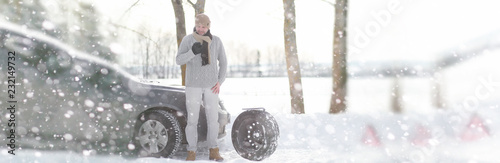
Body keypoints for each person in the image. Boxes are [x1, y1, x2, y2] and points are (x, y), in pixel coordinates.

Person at [176, 13, 227, 162]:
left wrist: (220, 82)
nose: (200, 29)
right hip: (193, 85)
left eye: (203, 26)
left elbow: (223, 63)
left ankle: (214, 150)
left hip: (211, 86)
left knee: (213, 119)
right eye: (198, 26)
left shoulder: (216, 41)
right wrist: (193, 52)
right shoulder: (187, 40)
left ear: (208, 26)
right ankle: (191, 151)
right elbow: (179, 60)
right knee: (192, 120)